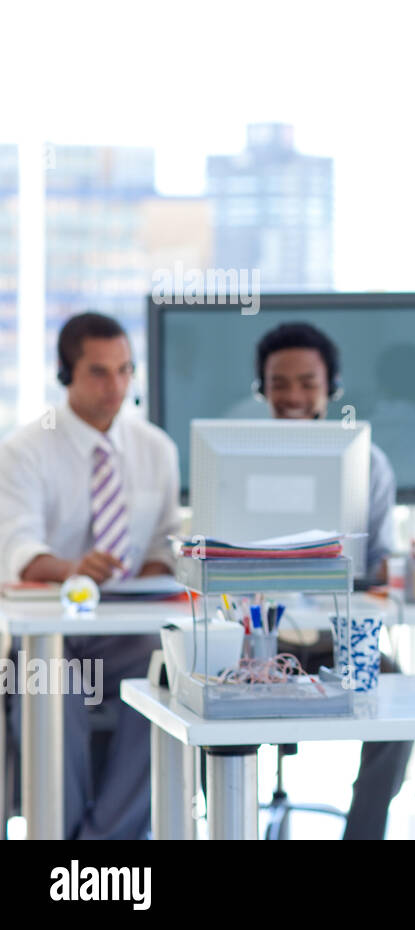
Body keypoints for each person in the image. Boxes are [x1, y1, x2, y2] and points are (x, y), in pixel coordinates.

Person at [0, 311, 180, 839]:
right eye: (100, 372)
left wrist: (146, 575)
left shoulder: (156, 451)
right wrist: (74, 569)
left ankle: (105, 846)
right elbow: (18, 549)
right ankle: (58, 843)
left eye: (126, 370)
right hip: (49, 633)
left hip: (124, 633)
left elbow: (162, 548)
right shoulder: (25, 450)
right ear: (66, 374)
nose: (117, 386)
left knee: (166, 674)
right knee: (54, 689)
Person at [253, 322, 413, 839]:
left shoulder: (369, 463)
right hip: (258, 645)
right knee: (209, 699)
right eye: (280, 382)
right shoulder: (237, 460)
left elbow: (383, 561)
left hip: (340, 639)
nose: (294, 395)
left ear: (331, 388)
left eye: (307, 381)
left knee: (395, 695)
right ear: (262, 388)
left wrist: (388, 571)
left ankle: (363, 835)